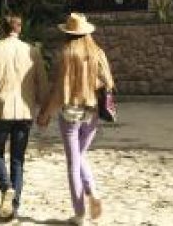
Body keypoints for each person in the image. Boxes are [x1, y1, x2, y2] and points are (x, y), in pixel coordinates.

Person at [37, 12, 115, 225]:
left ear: (68, 34)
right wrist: (91, 85)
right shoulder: (97, 52)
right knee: (81, 156)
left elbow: (59, 92)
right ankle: (93, 192)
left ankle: (80, 214)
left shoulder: (66, 54)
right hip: (91, 112)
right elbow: (108, 82)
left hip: (70, 113)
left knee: (74, 162)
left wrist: (45, 114)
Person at [0, 14, 48, 221]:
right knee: (18, 159)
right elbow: (42, 84)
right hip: (24, 111)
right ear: (19, 29)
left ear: (2, 29)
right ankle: (13, 207)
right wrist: (44, 109)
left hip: (0, 110)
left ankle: (5, 186)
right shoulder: (33, 51)